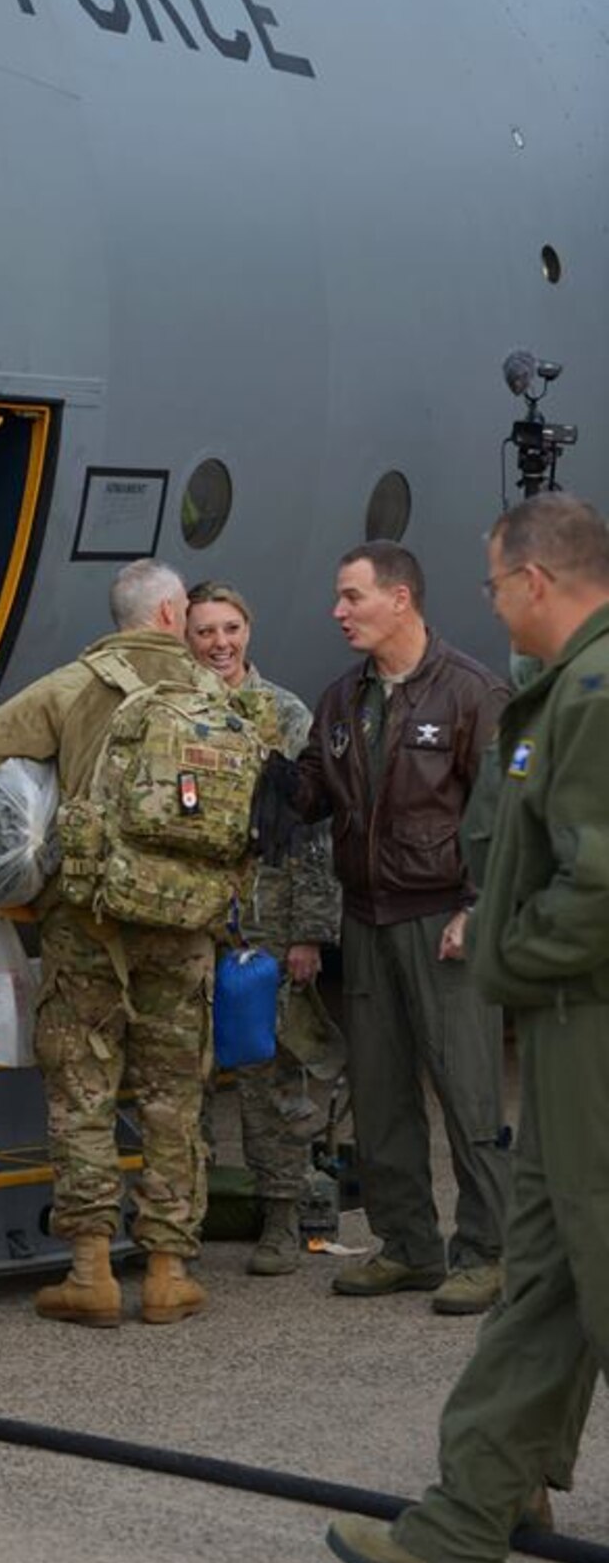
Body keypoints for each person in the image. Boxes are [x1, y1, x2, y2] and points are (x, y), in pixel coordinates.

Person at [326, 493, 609, 1563]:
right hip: (563, 1026)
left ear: (535, 580)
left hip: (588, 1016)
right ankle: (465, 1524)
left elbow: (599, 883)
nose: (489, 604)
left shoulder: (591, 695)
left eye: (495, 584)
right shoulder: (562, 693)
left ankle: (467, 1518)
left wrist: (503, 957)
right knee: (544, 1278)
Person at [0, 559, 247, 1329]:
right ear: (172, 613)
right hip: (185, 925)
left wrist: (26, 856)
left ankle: (89, 1271)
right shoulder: (224, 695)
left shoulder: (71, 688)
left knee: (82, 1091)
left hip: (89, 920)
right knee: (172, 1095)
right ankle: (168, 1271)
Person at [285, 542, 509, 1314]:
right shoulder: (342, 698)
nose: (337, 612)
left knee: (468, 1093)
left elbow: (502, 816)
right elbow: (316, 786)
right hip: (367, 918)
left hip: (440, 917)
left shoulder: (473, 693)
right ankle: (407, 1246)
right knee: (379, 1095)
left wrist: (478, 909)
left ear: (400, 598)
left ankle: (486, 1252)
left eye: (351, 597)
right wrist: (279, 787)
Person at [185, 582, 342, 1275]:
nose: (219, 644)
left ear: (248, 630)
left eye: (230, 628)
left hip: (268, 922)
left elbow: (312, 831)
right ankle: (179, 1217)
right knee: (181, 1072)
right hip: (191, 916)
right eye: (204, 631)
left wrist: (308, 932)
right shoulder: (172, 712)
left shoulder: (284, 714)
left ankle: (280, 1216)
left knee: (269, 1073)